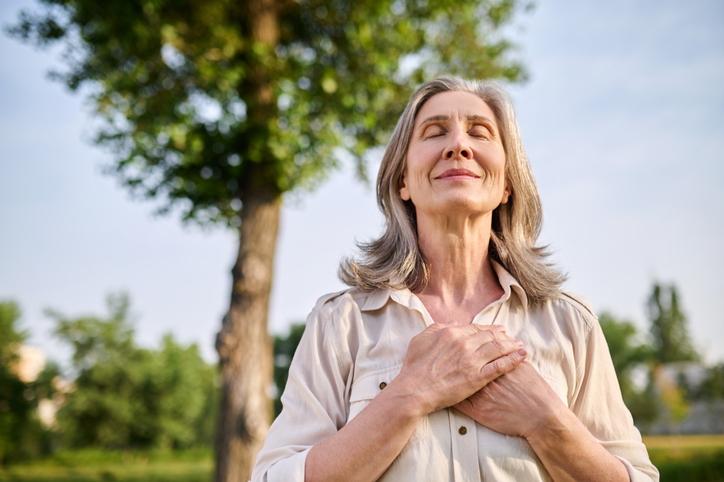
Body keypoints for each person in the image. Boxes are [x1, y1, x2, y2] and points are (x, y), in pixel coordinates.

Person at [251, 77, 659, 482]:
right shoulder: (339, 323)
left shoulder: (571, 324)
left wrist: (546, 420)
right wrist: (409, 394)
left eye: (479, 133)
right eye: (435, 132)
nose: (458, 146)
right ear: (403, 181)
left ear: (507, 185)